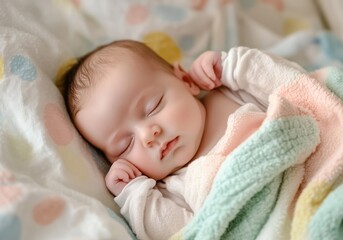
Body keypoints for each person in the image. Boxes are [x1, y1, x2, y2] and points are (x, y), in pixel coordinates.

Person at [60, 39, 306, 239]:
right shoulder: (172, 188)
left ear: (186, 80)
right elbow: (185, 232)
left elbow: (295, 87)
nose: (148, 135)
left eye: (152, 107)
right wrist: (134, 195)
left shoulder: (231, 92)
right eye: (125, 144)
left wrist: (234, 67)